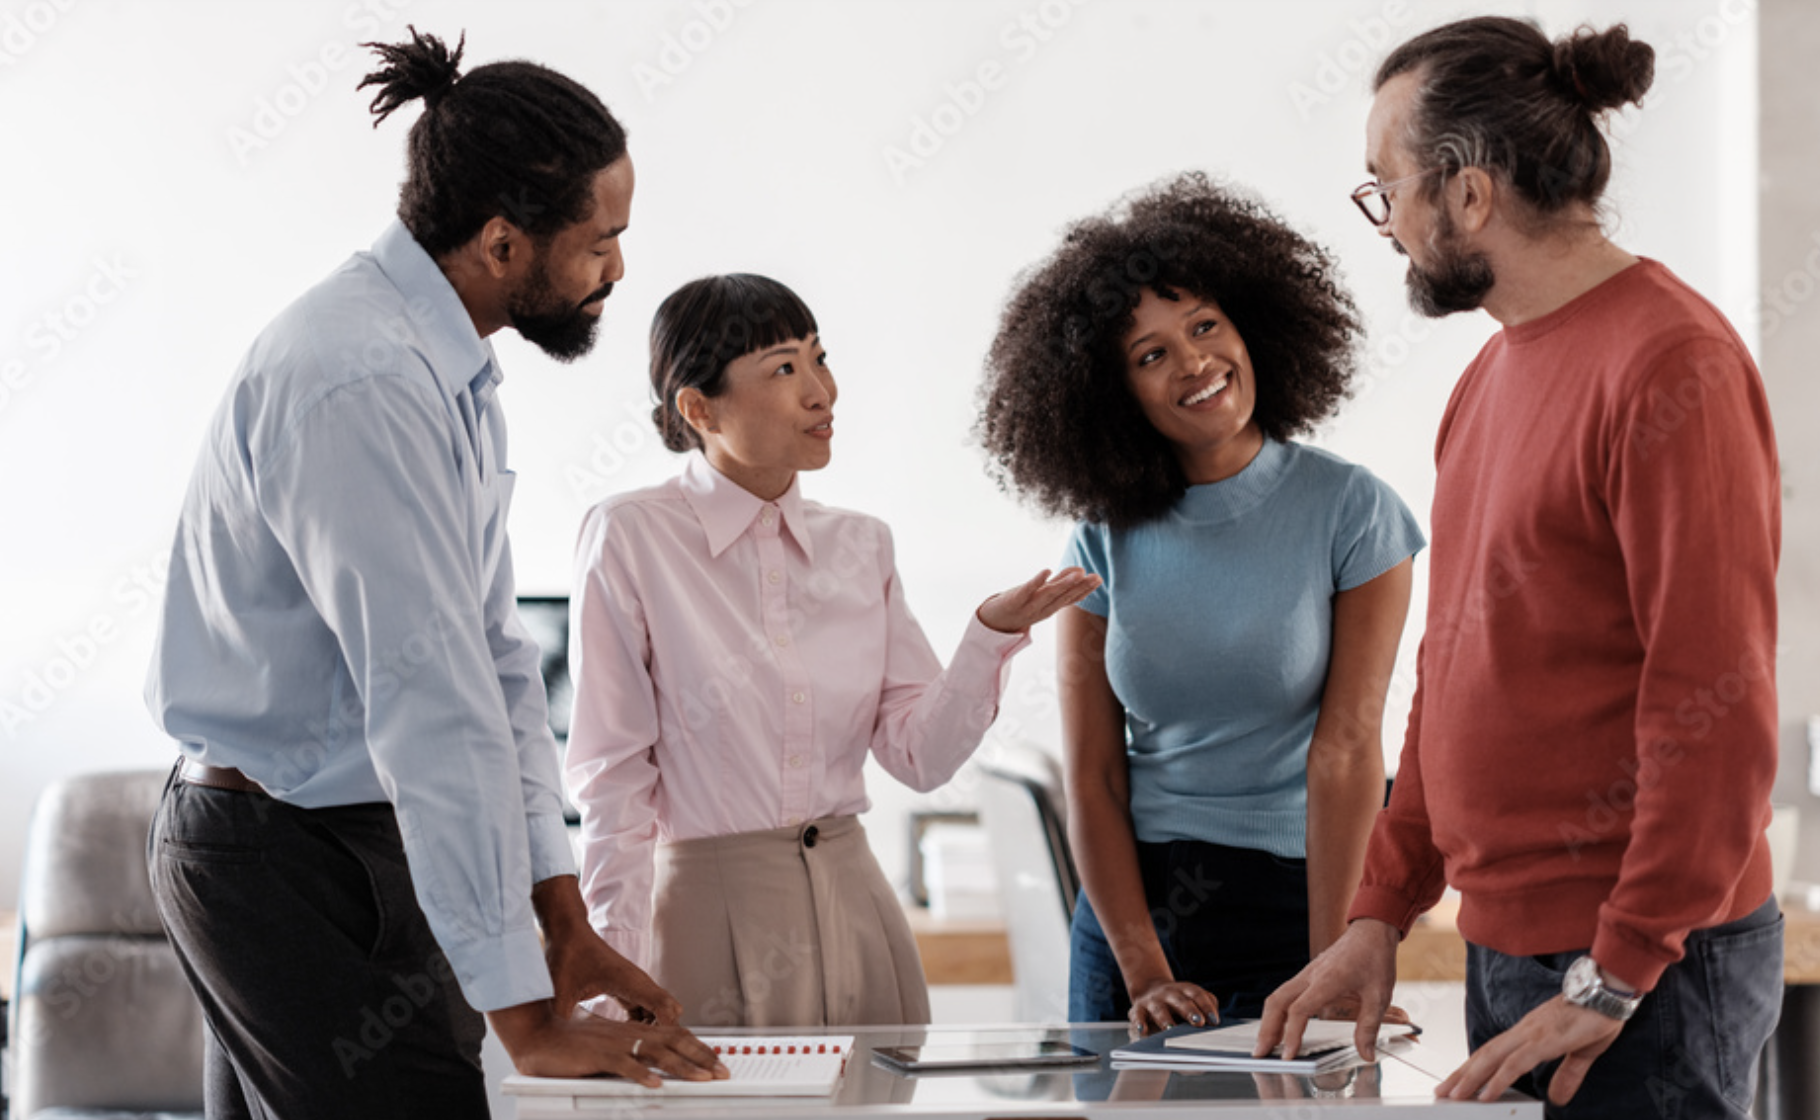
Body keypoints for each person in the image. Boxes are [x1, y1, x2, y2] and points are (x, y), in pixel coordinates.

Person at [144, 29, 726, 1117]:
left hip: (340, 841)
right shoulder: (361, 378)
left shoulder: (440, 364)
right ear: (504, 243)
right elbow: (430, 701)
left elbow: (495, 658)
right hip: (284, 856)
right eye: (599, 241)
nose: (616, 269)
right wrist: (525, 1018)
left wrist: (561, 922)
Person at [1257, 17, 1782, 1118]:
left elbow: (1716, 703)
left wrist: (1621, 968)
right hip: (1516, 953)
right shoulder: (1488, 378)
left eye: (1384, 187)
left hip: (1643, 973)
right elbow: (1449, 672)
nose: (1385, 222)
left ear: (1467, 192)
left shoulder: (1668, 364)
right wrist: (1379, 908)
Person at [566, 272, 1099, 1028]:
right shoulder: (631, 535)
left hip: (859, 912)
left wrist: (990, 637)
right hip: (703, 924)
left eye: (820, 358)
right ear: (697, 407)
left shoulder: (862, 544)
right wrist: (610, 971)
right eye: (784, 368)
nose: (823, 392)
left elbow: (921, 759)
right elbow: (611, 779)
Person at [976, 172, 1425, 1029]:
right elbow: (1097, 777)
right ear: (1114, 394)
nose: (1195, 364)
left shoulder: (1352, 511)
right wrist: (1144, 970)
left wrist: (1335, 959)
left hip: (1303, 905)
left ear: (1252, 327)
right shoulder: (1101, 538)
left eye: (1205, 327)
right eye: (1150, 355)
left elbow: (1346, 752)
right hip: (1136, 920)